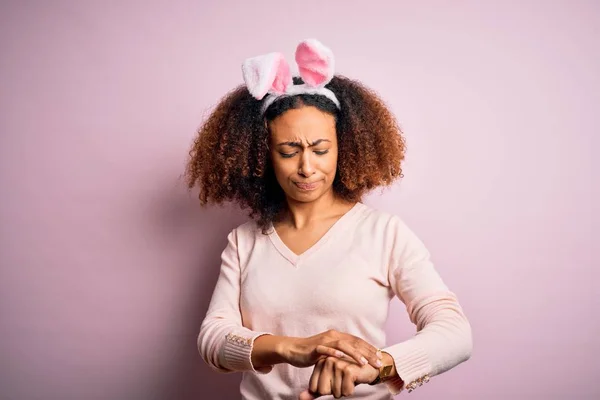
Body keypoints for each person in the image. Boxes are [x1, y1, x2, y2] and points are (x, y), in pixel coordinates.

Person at [186, 39, 472, 400]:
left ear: (344, 147)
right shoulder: (245, 241)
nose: (307, 167)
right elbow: (213, 337)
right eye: (289, 151)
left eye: (321, 150)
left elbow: (455, 332)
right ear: (263, 155)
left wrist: (378, 365)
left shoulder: (383, 233)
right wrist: (294, 348)